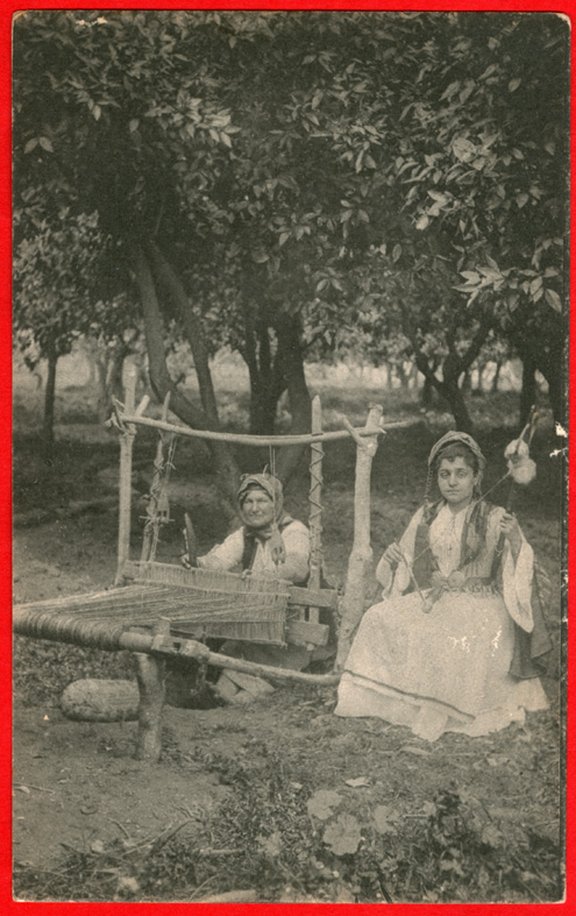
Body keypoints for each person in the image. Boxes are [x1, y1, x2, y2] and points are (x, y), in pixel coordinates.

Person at [335, 431, 551, 742]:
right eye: (444, 474)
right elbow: (406, 562)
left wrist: (515, 538)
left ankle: (447, 708)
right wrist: (394, 557)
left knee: (456, 635)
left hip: (483, 603)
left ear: (476, 477)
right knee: (377, 617)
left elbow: (518, 569)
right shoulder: (427, 514)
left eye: (461, 474)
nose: (452, 482)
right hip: (438, 598)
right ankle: (384, 699)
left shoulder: (493, 516)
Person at [192, 473, 313, 703]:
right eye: (248, 501)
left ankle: (242, 699)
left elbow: (297, 569)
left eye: (262, 501)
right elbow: (219, 561)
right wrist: (199, 563)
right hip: (258, 627)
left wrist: (261, 576)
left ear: (275, 503)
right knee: (224, 689)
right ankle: (223, 698)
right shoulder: (246, 535)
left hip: (289, 631)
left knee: (245, 695)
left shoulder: (294, 531)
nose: (254, 508)